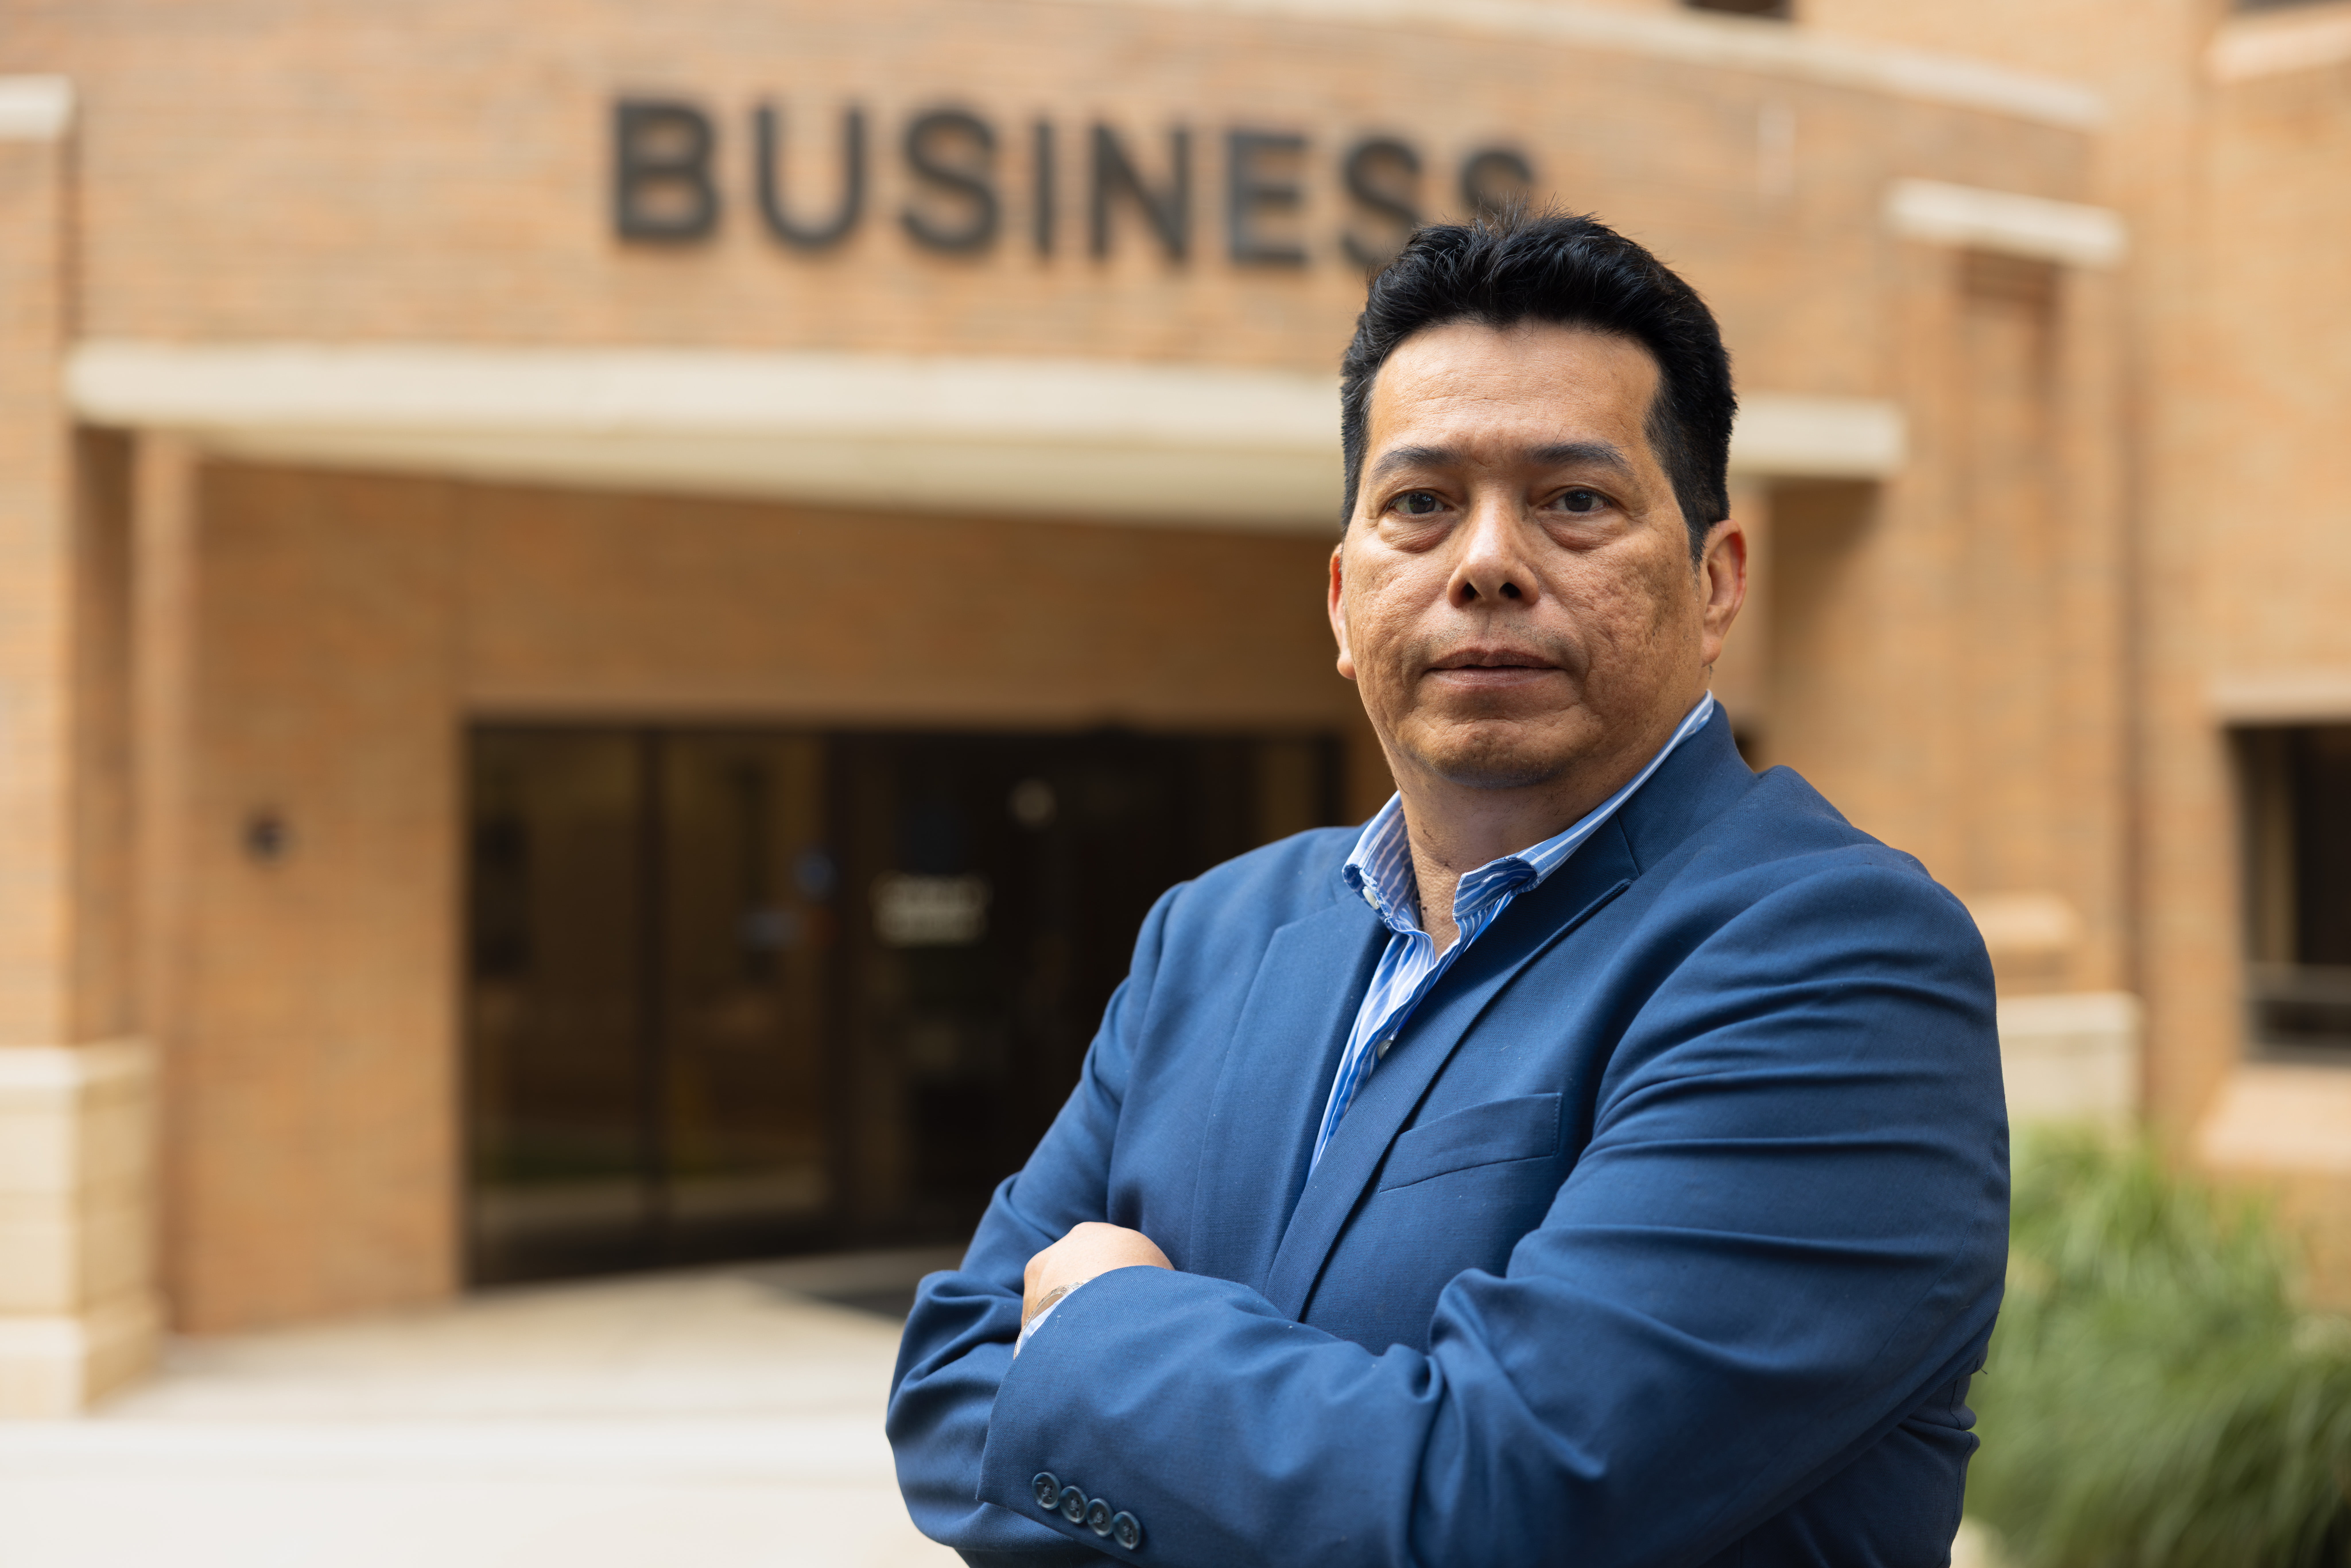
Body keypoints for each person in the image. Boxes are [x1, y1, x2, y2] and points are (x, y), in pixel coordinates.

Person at [887, 210, 2007, 1568]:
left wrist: (1102, 1336)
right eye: (1419, 503)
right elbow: (946, 1391)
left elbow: (1498, 1509)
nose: (1484, 561)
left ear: (1715, 585)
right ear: (1341, 598)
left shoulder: (1833, 961)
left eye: (1573, 500)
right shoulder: (1212, 935)